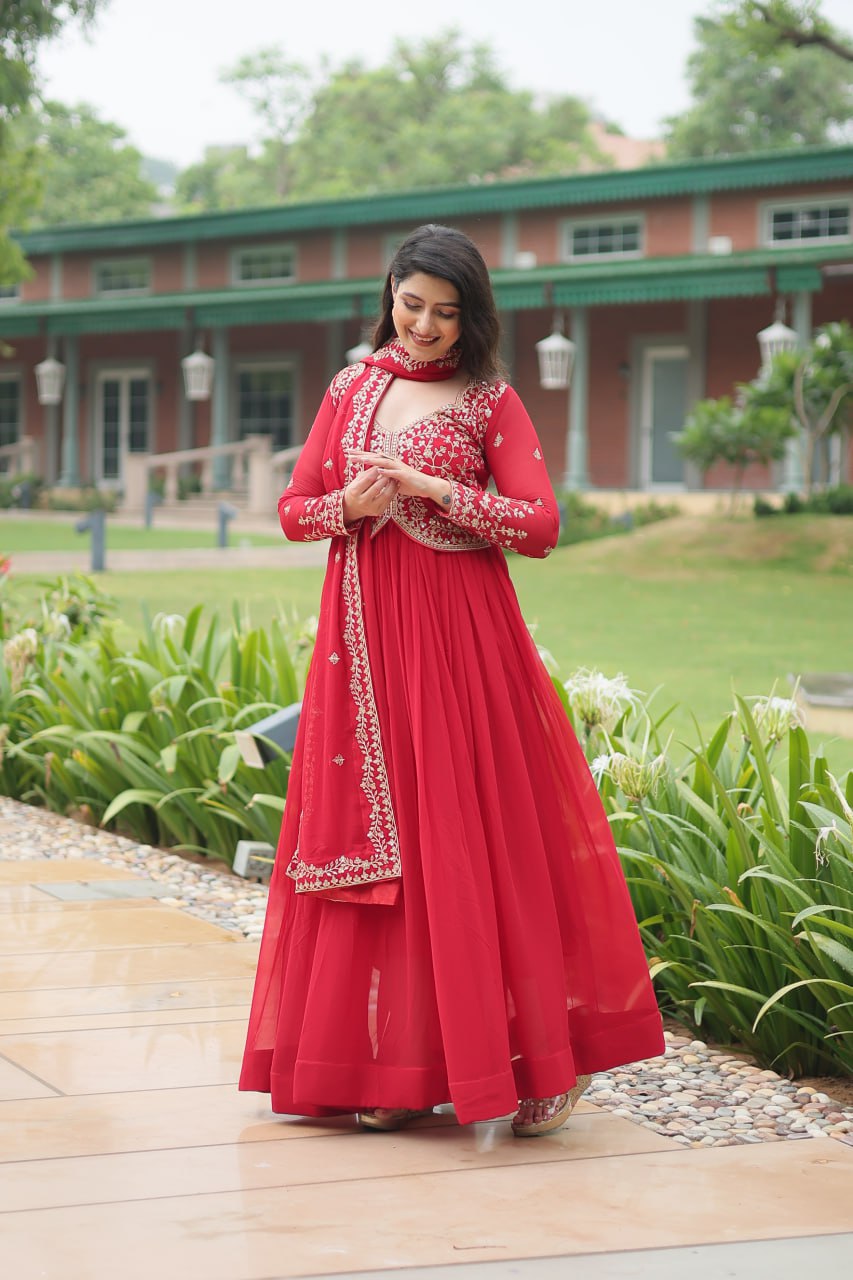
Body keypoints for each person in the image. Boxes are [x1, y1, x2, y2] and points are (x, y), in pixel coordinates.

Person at [239, 223, 664, 1136]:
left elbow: (542, 525)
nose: (424, 325)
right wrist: (346, 505)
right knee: (385, 858)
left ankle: (544, 1061)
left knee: (480, 843)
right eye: (410, 303)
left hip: (463, 652)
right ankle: (395, 1068)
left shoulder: (490, 401)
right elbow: (291, 511)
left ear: (472, 315)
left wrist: (436, 494)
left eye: (444, 311)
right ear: (388, 292)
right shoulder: (350, 387)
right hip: (366, 655)